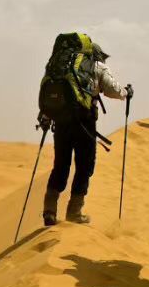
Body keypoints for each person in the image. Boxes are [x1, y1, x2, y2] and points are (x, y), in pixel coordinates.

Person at [41, 41, 132, 226]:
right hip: (84, 122)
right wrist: (126, 92)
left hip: (61, 122)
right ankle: (74, 212)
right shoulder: (96, 65)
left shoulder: (62, 66)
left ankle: (49, 210)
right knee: (84, 166)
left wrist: (45, 116)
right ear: (97, 55)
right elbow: (112, 89)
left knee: (60, 165)